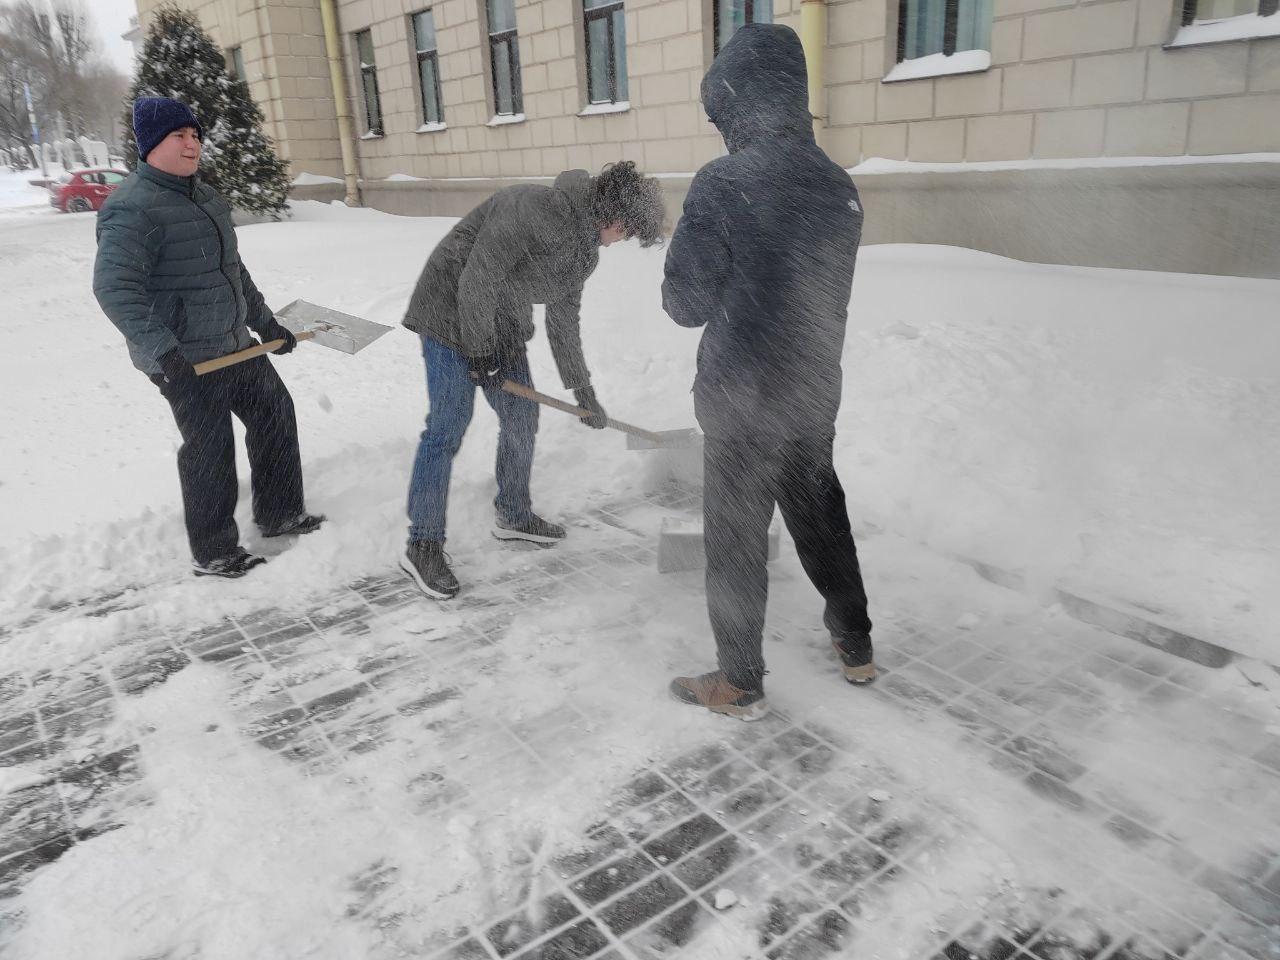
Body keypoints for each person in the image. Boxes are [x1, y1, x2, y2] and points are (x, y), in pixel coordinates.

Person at [661, 25, 874, 720]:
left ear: (738, 102)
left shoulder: (724, 183)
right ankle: (855, 643)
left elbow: (685, 304)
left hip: (743, 398)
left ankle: (738, 679)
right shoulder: (837, 184)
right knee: (820, 516)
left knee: (734, 539)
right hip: (812, 391)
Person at [399, 162, 665, 599]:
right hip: (447, 311)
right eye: (628, 231)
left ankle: (514, 515)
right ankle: (423, 543)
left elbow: (563, 323)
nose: (624, 241)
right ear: (616, 216)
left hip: (499, 324)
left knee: (522, 417)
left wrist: (584, 393)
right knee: (448, 425)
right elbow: (476, 282)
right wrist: (481, 354)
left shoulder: (585, 253)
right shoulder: (529, 207)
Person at [93, 97, 323, 579]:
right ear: (152, 144)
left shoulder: (205, 198)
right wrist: (164, 351)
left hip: (233, 341)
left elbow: (232, 270)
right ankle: (215, 551)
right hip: (185, 358)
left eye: (195, 135)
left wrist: (265, 323)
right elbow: (115, 289)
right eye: (180, 136)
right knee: (209, 447)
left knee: (275, 413)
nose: (192, 143)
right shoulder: (131, 208)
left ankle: (280, 512)